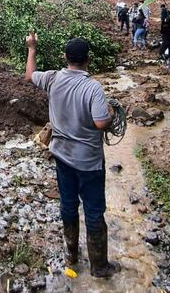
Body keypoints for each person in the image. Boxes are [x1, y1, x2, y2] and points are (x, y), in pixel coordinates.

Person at [24, 34, 120, 279]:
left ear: (65, 58)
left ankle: (71, 255)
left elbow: (29, 76)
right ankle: (99, 267)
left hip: (62, 157)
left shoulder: (53, 78)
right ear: (88, 60)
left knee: (68, 204)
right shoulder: (93, 87)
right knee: (94, 211)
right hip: (89, 162)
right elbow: (100, 123)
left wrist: (32, 49)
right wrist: (110, 114)